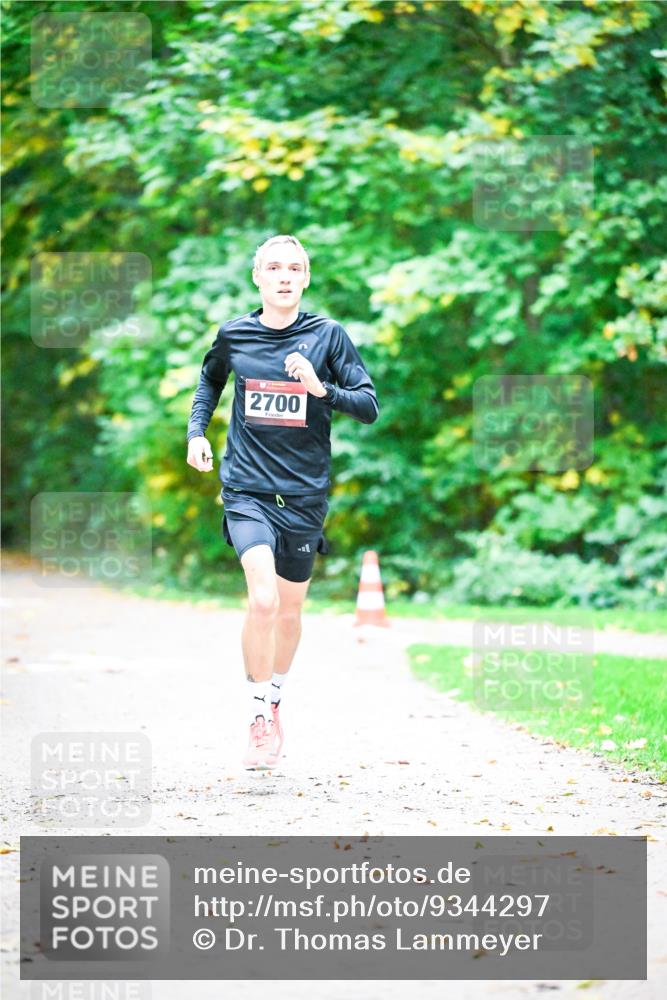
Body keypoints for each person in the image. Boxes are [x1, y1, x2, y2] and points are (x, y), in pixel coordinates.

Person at [186, 234, 379, 769]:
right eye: (274, 267)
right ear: (258, 277)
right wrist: (196, 433)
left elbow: (368, 405)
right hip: (246, 490)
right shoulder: (234, 334)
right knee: (264, 601)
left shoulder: (328, 336)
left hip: (303, 496)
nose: (284, 276)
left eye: (294, 268)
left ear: (306, 278)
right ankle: (255, 716)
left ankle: (273, 701)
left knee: (290, 613)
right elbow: (208, 384)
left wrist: (322, 389)